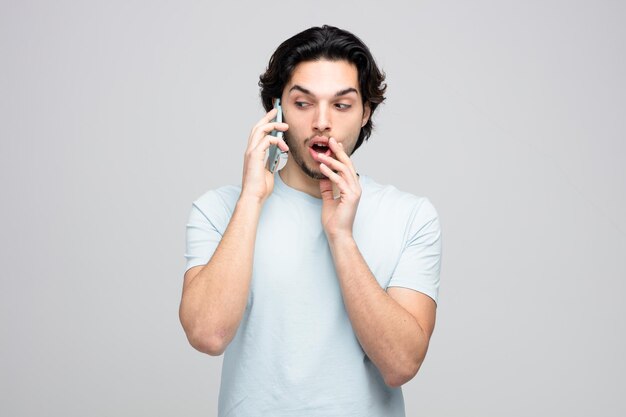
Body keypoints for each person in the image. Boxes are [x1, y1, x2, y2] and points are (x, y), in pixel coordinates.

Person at [179, 25, 442, 417]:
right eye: (303, 103)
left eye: (341, 105)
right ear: (277, 107)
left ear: (365, 112)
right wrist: (252, 198)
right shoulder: (217, 210)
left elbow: (401, 364)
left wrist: (341, 237)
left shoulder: (411, 216)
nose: (322, 122)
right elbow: (208, 334)